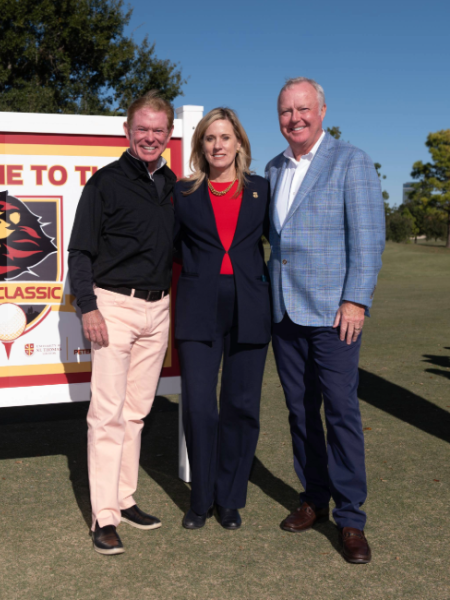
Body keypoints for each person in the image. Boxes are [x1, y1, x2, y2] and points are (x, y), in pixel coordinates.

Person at [265, 77, 385, 564]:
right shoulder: (273, 168)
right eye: (286, 111)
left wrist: (356, 299)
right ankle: (314, 497)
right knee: (299, 410)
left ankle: (351, 517)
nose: (295, 118)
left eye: (303, 109)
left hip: (335, 313)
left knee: (340, 411)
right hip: (284, 311)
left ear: (322, 110)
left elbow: (369, 236)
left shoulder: (350, 161)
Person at [68, 90, 177, 556]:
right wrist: (88, 306)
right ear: (127, 132)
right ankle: (104, 516)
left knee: (136, 413)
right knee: (107, 415)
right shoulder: (104, 183)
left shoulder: (175, 185)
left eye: (158, 130)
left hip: (159, 309)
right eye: (143, 129)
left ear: (168, 134)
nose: (150, 136)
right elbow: (80, 251)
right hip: (113, 307)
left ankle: (124, 498)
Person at [173, 108, 271, 531]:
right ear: (200, 146)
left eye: (226, 137)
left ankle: (230, 499)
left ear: (239, 144)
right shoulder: (183, 193)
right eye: (210, 138)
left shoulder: (261, 191)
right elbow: (174, 248)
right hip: (198, 309)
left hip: (250, 308)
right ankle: (201, 500)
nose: (218, 145)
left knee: (241, 406)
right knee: (199, 406)